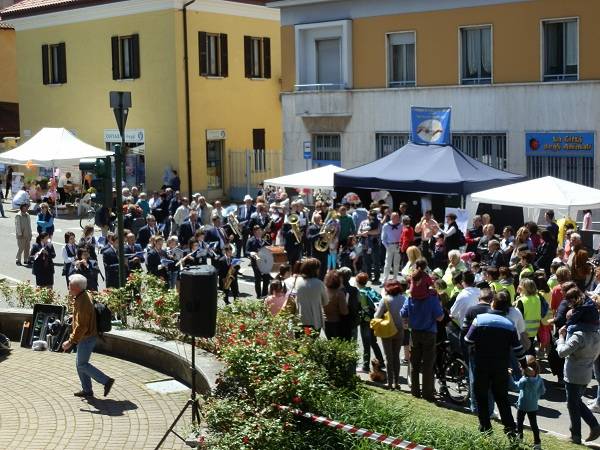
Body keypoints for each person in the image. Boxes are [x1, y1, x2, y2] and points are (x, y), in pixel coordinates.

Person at [464, 292, 527, 434]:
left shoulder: (479, 320)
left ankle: (485, 427)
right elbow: (518, 349)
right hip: (501, 367)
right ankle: (510, 428)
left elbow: (468, 340)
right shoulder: (509, 324)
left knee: (481, 396)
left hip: (481, 365)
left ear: (493, 303)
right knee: (502, 398)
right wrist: (524, 366)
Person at [557, 288, 600, 445]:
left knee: (572, 404)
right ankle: (590, 427)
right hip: (587, 373)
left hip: (573, 373)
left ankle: (577, 434)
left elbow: (562, 352)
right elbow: (596, 355)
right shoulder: (596, 334)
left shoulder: (578, 335)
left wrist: (561, 337)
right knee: (575, 402)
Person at [62, 274, 114, 398]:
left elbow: (82, 326)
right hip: (86, 336)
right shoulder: (82, 295)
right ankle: (87, 390)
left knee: (82, 365)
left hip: (87, 337)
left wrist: (70, 341)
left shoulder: (83, 301)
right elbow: (84, 317)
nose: (68, 288)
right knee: (80, 364)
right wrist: (73, 316)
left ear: (78, 288)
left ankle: (106, 381)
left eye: (70, 286)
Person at [400, 276, 444, 401]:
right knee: (428, 365)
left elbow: (403, 313)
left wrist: (408, 322)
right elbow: (440, 317)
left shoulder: (410, 297)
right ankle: (427, 393)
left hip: (414, 333)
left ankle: (415, 391)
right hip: (430, 334)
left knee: (414, 363)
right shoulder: (432, 298)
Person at [374, 279, 407, 390]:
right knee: (396, 356)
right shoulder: (404, 299)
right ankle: (397, 383)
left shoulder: (385, 300)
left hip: (387, 330)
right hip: (400, 330)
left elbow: (376, 316)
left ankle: (389, 383)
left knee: (389, 357)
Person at [509, 355, 546, 449]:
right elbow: (542, 391)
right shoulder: (539, 379)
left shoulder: (524, 380)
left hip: (522, 405)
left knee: (519, 422)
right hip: (533, 406)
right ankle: (537, 443)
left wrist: (510, 376)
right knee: (534, 425)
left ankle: (519, 437)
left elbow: (514, 387)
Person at [355, 272, 385, 371]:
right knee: (373, 342)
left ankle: (365, 365)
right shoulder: (371, 290)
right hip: (374, 319)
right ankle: (381, 362)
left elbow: (363, 308)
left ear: (357, 282)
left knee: (366, 343)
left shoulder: (361, 293)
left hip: (365, 321)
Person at [295, 258, 328, 333]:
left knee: (300, 343)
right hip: (315, 320)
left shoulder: (297, 281)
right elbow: (325, 302)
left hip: (299, 319)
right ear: (315, 270)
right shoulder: (319, 283)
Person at [323, 270, 348, 339]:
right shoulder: (339, 294)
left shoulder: (323, 291)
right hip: (336, 322)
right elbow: (344, 312)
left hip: (325, 321)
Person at [246, 225, 270, 298]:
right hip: (256, 262)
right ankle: (259, 295)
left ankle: (264, 294)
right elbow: (246, 251)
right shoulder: (250, 240)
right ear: (254, 232)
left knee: (266, 278)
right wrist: (251, 253)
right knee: (258, 279)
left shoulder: (264, 240)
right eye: (257, 231)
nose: (259, 233)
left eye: (260, 231)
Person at [381, 212, 402, 281]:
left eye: (397, 217)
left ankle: (395, 279)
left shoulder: (401, 225)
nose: (397, 218)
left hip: (398, 246)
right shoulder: (386, 225)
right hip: (389, 245)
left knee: (396, 264)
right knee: (387, 264)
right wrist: (387, 247)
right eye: (395, 217)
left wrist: (401, 245)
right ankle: (385, 280)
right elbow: (383, 238)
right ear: (391, 218)